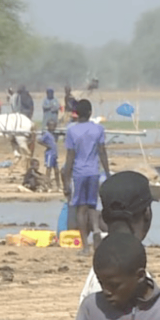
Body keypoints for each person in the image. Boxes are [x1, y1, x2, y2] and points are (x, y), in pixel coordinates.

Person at [63, 99, 110, 255]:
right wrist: (108, 172)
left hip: (79, 173)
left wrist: (66, 180)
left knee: (80, 210)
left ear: (76, 113)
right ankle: (96, 229)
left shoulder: (71, 131)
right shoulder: (98, 130)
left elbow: (70, 156)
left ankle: (85, 247)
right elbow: (102, 152)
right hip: (93, 172)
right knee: (92, 206)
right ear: (90, 113)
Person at [39, 120, 60, 191]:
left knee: (56, 170)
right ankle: (47, 185)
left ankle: (58, 186)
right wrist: (47, 146)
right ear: (48, 126)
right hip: (49, 154)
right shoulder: (46, 134)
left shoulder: (54, 134)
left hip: (54, 154)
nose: (53, 127)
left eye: (54, 126)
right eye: (51, 126)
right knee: (48, 169)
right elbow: (39, 141)